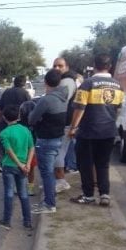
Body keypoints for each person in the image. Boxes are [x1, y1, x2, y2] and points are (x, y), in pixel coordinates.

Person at [68, 54, 125, 206]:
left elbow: (79, 108)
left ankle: (88, 195)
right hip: (108, 130)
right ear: (110, 66)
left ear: (94, 65)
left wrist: (73, 128)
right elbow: (118, 109)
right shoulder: (118, 85)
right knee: (103, 164)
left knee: (86, 164)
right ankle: (104, 194)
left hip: (88, 131)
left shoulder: (88, 84)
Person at [28, 69, 67, 215]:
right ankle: (49, 201)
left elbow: (32, 118)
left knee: (47, 173)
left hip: (46, 140)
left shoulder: (46, 100)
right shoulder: (63, 97)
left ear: (45, 82)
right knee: (48, 172)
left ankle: (49, 204)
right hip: (57, 138)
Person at [0, 105, 34, 230]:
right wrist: (27, 164)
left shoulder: (5, 132)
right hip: (24, 166)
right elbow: (31, 147)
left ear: (4, 118)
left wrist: (19, 164)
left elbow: (9, 151)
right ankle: (27, 221)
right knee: (23, 194)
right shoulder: (25, 130)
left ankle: (6, 221)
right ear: (18, 117)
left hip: (10, 166)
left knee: (9, 193)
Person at [0, 75, 32, 172]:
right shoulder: (25, 93)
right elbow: (30, 108)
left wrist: (0, 121)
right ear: (24, 83)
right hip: (20, 122)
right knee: (19, 142)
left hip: (5, 120)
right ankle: (20, 162)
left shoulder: (6, 92)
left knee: (3, 141)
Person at [51, 58, 78, 194]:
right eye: (55, 66)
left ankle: (61, 181)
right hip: (65, 122)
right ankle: (57, 181)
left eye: (60, 66)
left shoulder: (66, 82)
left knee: (58, 152)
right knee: (59, 152)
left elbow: (59, 102)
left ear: (66, 67)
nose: (57, 68)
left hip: (65, 122)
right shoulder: (65, 81)